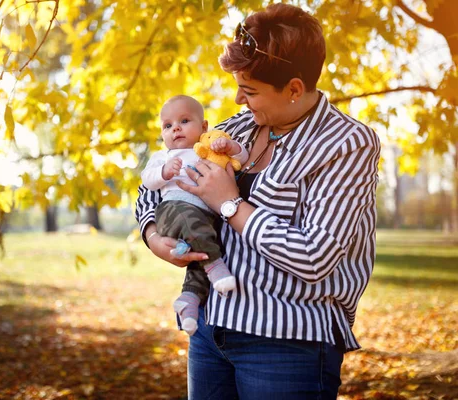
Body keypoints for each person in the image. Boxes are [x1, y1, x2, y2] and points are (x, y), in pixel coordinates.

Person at [135, 4, 380, 399]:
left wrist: (230, 204)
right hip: (210, 329)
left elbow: (315, 256)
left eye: (248, 91)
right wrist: (152, 236)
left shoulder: (347, 143)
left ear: (295, 88)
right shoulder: (236, 128)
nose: (237, 99)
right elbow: (159, 178)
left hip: (287, 342)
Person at [141, 95, 249, 336]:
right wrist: (164, 173)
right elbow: (147, 182)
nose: (175, 128)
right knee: (200, 236)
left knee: (199, 261)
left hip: (203, 218)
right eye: (167, 126)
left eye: (184, 121)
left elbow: (241, 160)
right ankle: (216, 265)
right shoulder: (164, 157)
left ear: (203, 127)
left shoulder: (208, 148)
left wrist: (232, 148)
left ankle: (188, 303)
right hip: (173, 210)